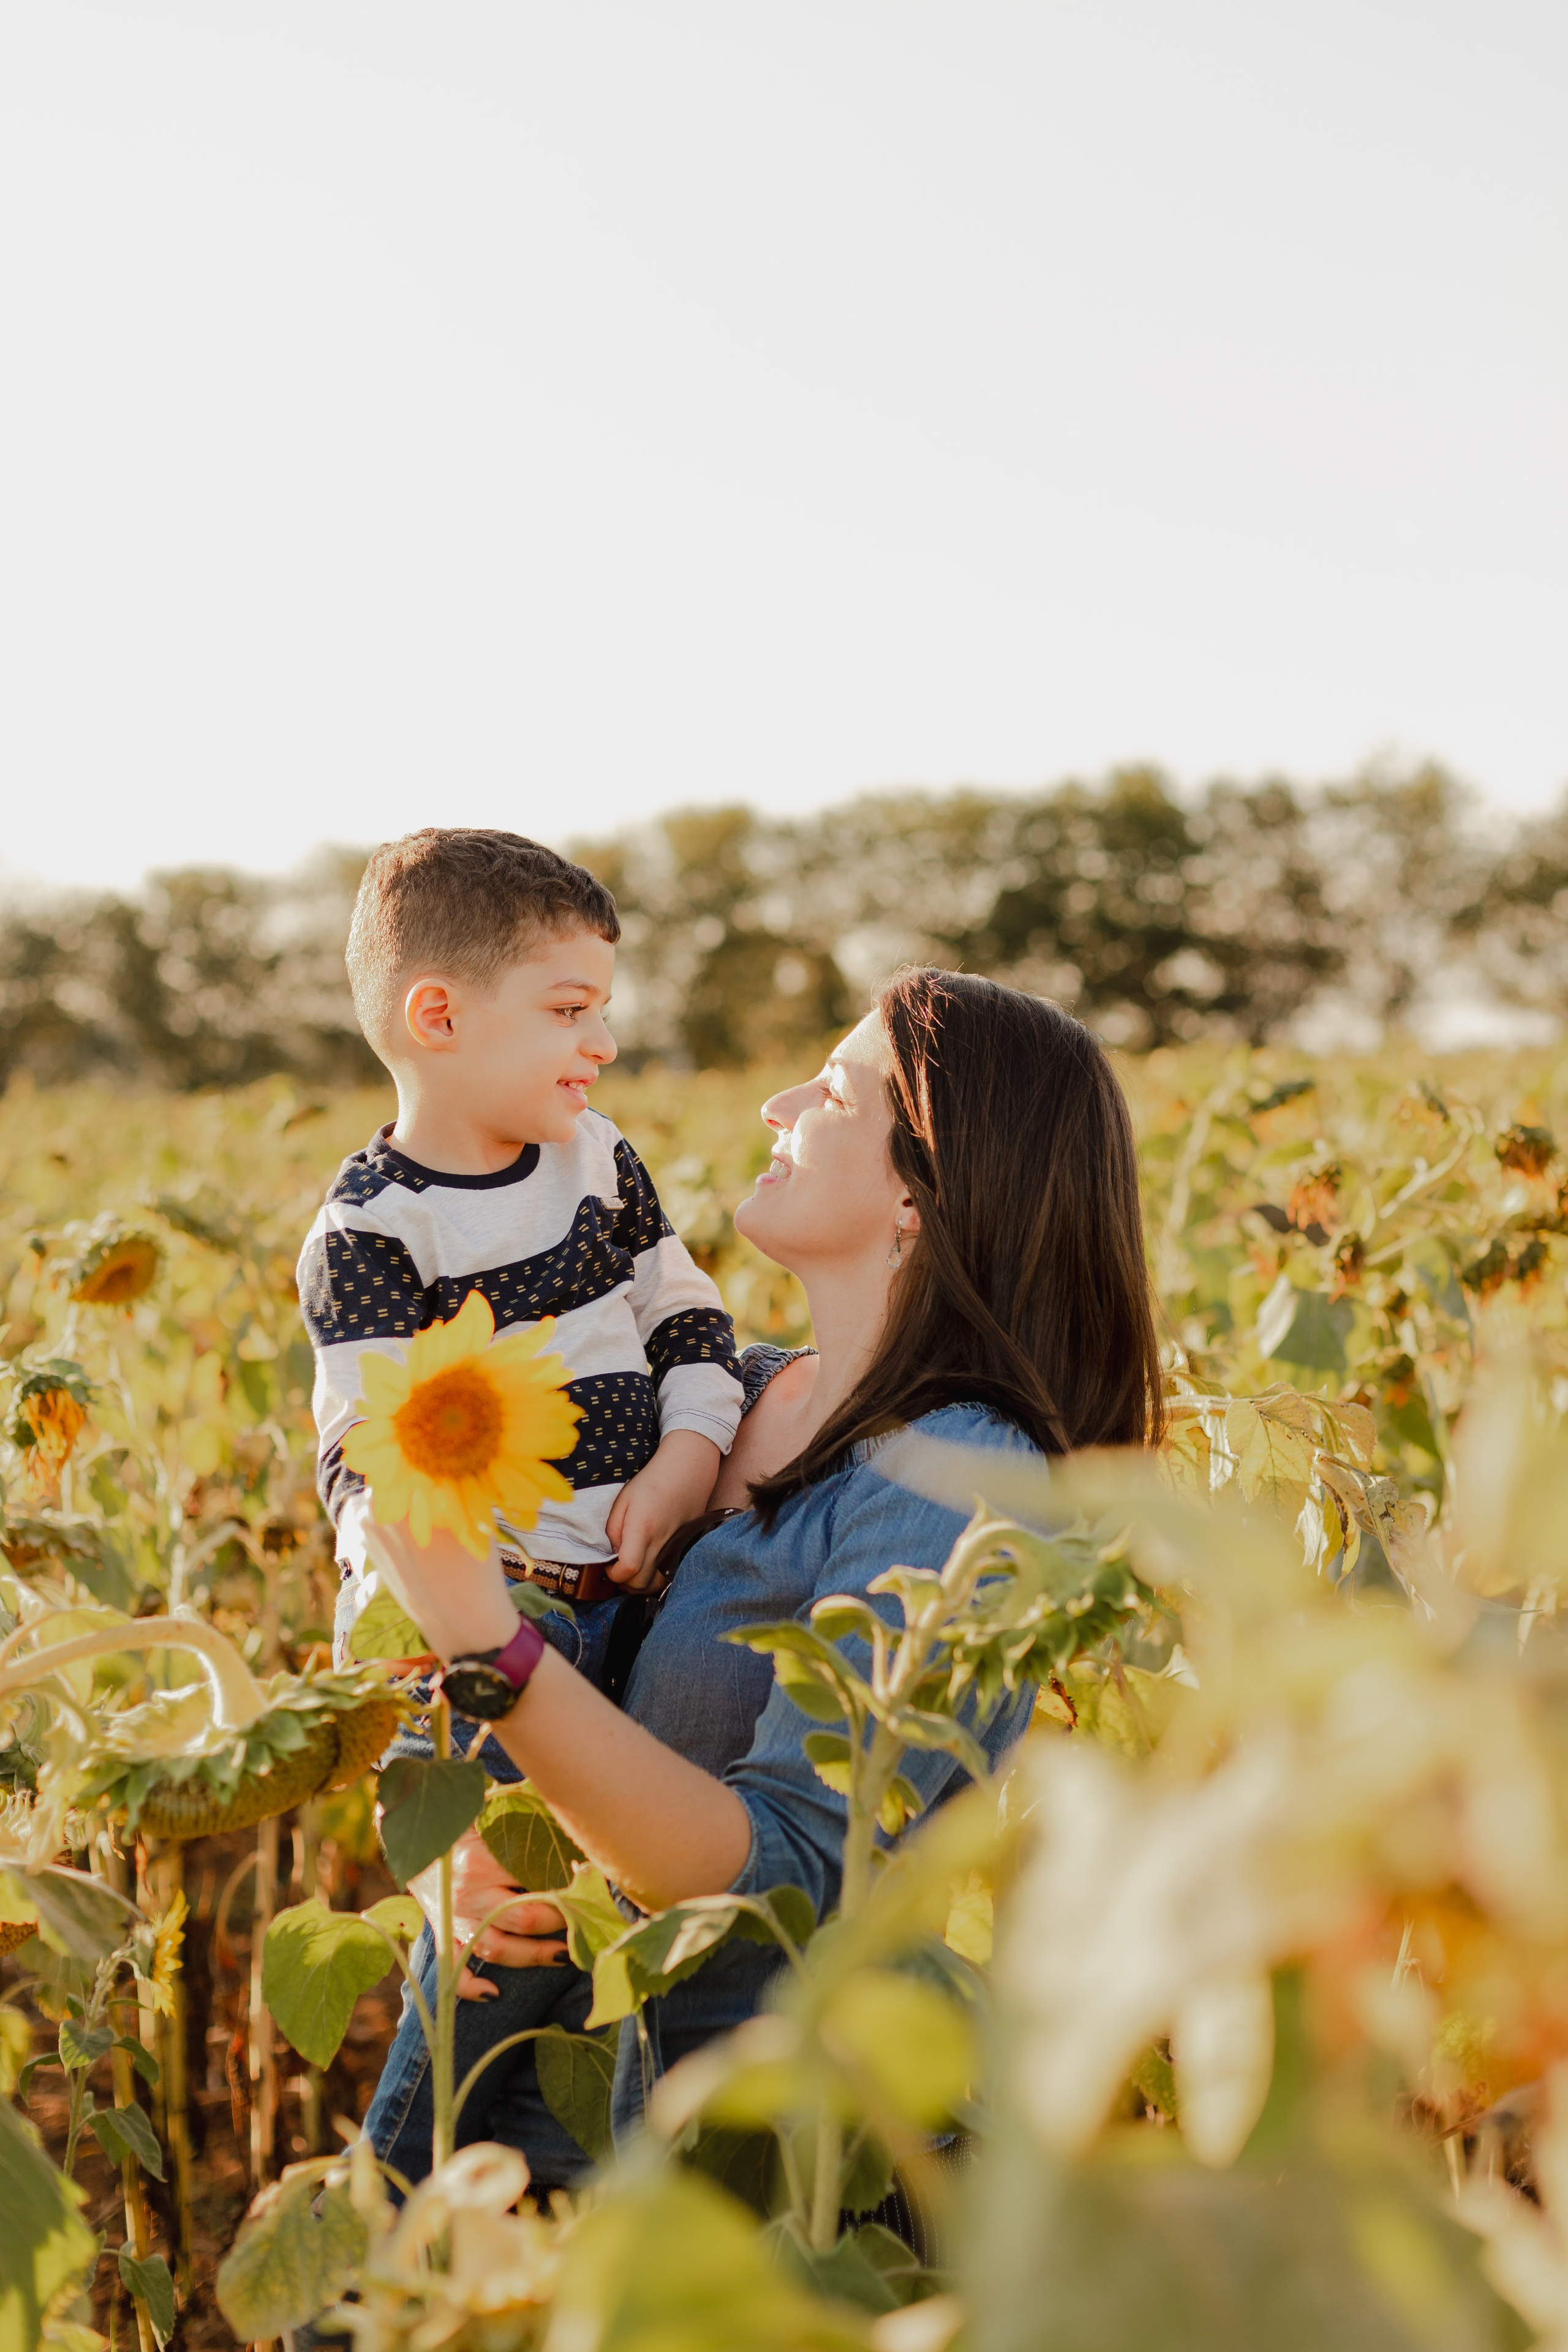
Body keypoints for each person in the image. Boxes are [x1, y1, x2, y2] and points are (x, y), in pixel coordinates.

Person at [365, 966, 1163, 2180]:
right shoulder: (711, 1396)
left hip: (737, 2156)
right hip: (488, 2063)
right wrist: (465, 1828)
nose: (777, 1105)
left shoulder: (960, 1474)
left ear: (920, 1190)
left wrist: (499, 1660)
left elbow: (796, 1886)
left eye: (834, 1092)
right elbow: (505, 1640)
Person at [295, 826, 744, 2179]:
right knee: (496, 1979)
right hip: (486, 1643)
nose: (599, 1039)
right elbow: (371, 1487)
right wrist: (412, 1778)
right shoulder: (372, 1235)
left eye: (601, 1008)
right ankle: (375, 2271)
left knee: (614, 1969)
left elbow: (686, 1319)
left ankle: (555, 2254)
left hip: (635, 1610)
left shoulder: (596, 1159)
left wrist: (680, 1462)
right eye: (566, 1009)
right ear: (437, 1015)